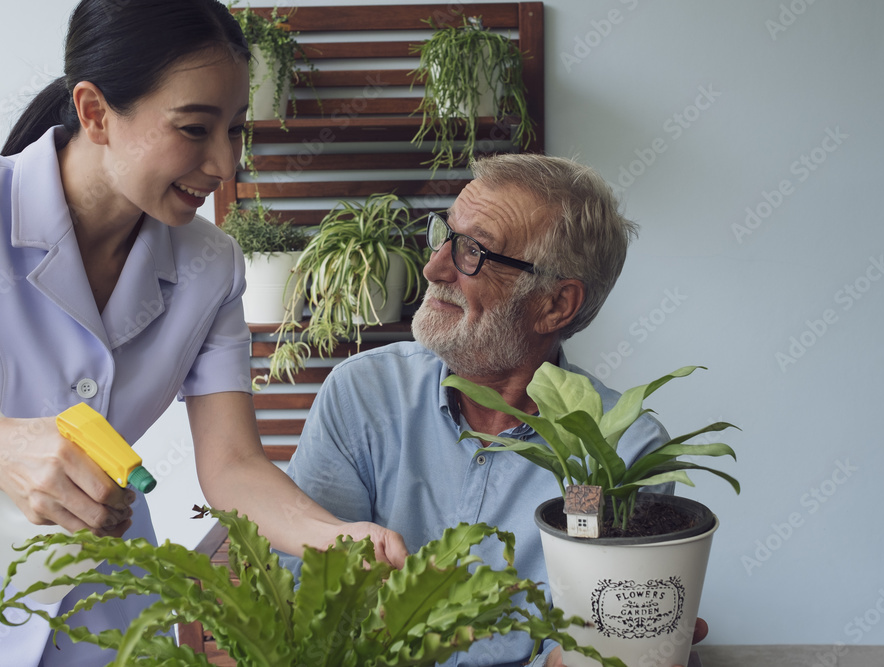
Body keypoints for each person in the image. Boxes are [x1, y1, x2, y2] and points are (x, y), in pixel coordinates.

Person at [0, 1, 405, 665]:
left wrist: (333, 536)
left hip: (111, 624)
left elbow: (234, 466)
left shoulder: (211, 264)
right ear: (95, 111)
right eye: (194, 128)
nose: (225, 164)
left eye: (237, 130)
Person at [285, 153, 707, 667]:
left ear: (556, 304)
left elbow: (590, 646)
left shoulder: (622, 449)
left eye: (473, 253)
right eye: (444, 235)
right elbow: (309, 591)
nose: (434, 267)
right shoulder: (363, 392)